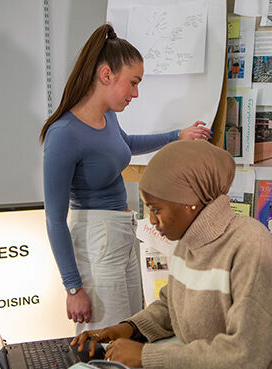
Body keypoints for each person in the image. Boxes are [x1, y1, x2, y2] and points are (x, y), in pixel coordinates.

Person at [71, 140, 272, 369]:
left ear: (191, 203)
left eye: (156, 209)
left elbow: (244, 355)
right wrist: (129, 328)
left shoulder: (251, 245)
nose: (151, 220)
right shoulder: (188, 240)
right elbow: (170, 305)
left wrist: (147, 356)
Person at [41, 24, 212, 333]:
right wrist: (73, 287)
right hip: (96, 241)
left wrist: (179, 135)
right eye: (133, 83)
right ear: (106, 75)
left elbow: (125, 145)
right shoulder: (63, 135)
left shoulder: (108, 116)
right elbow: (54, 219)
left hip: (120, 235)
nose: (136, 93)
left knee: (131, 329)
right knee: (106, 342)